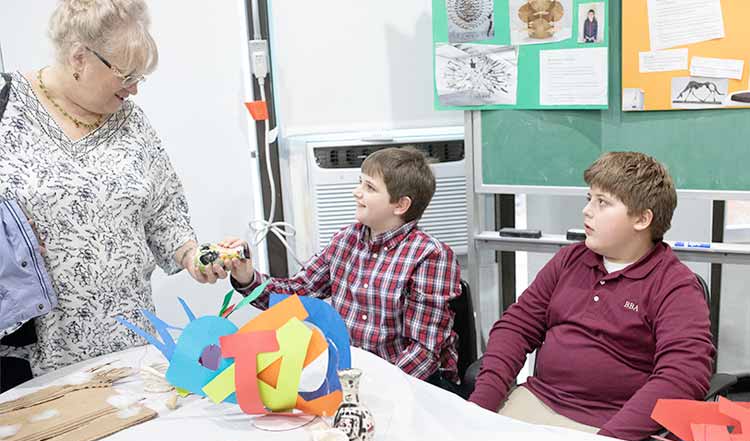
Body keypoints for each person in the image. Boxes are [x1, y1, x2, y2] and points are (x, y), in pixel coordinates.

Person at [0, 0, 224, 382]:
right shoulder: (7, 107)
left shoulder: (131, 121)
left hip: (128, 344)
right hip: (30, 354)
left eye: (141, 76)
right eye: (127, 74)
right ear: (79, 58)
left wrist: (194, 255)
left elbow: (165, 211)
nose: (135, 89)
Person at [469, 152, 714, 441]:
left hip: (612, 426)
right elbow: (516, 327)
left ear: (642, 219)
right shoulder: (569, 260)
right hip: (536, 404)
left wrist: (606, 440)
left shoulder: (675, 285)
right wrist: (480, 406)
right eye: (589, 199)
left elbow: (683, 375)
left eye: (602, 203)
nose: (587, 211)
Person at [221, 147, 462, 388]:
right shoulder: (345, 240)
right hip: (351, 378)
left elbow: (423, 352)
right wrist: (247, 277)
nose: (356, 192)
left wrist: (370, 388)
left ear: (400, 205)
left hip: (407, 384)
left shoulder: (431, 256)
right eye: (360, 182)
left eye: (370, 187)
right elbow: (297, 294)